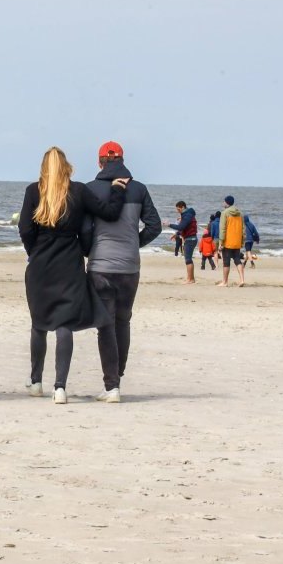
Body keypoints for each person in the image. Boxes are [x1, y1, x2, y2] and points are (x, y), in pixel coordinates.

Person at [21, 147, 129, 404]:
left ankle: (36, 382)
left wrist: (34, 251)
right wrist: (117, 189)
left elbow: (25, 228)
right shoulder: (78, 190)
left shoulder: (33, 191)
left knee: (39, 322)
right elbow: (108, 213)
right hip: (69, 263)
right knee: (64, 323)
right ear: (66, 165)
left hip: (40, 265)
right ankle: (60, 388)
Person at [82, 141, 160, 402]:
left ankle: (111, 386)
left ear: (99, 162)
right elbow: (154, 226)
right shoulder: (139, 189)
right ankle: (118, 377)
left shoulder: (90, 189)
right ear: (123, 160)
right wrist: (134, 243)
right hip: (129, 267)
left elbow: (84, 229)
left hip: (100, 266)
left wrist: (89, 249)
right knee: (123, 322)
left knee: (105, 326)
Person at [165, 200, 198, 284]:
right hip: (190, 238)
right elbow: (184, 228)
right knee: (188, 259)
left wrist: (169, 224)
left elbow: (181, 227)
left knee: (188, 259)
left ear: (183, 207)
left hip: (190, 239)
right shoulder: (187, 215)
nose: (178, 211)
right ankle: (191, 278)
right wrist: (176, 234)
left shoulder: (187, 215)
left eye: (178, 210)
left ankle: (190, 279)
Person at [217, 195, 246, 287]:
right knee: (237, 260)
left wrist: (221, 242)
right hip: (237, 241)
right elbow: (243, 229)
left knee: (226, 262)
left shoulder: (224, 213)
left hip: (227, 242)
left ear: (226, 203)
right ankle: (242, 280)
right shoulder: (240, 214)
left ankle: (225, 282)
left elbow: (222, 229)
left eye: (224, 202)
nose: (223, 203)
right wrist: (242, 241)